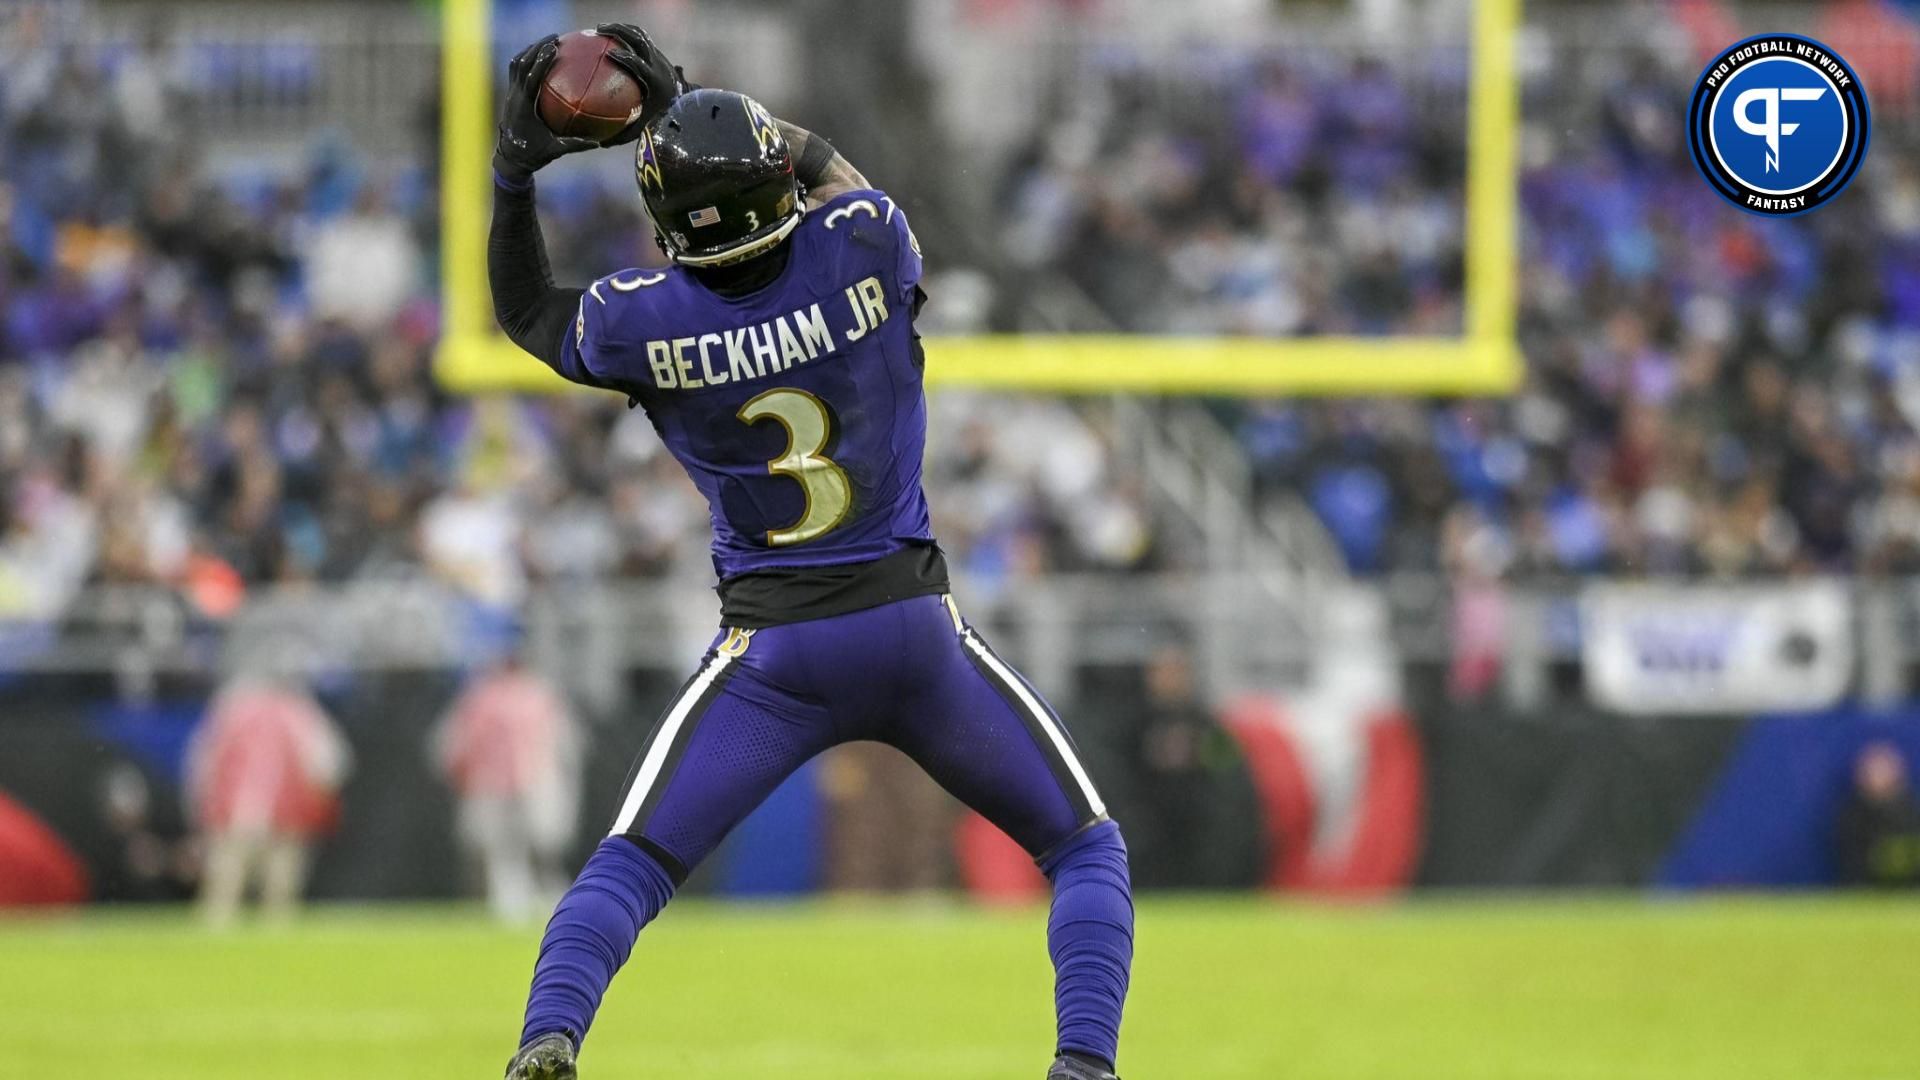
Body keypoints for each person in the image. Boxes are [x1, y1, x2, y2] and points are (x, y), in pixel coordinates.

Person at [487, 25, 1133, 1080]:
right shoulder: (868, 240)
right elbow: (826, 172)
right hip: (912, 631)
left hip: (776, 655)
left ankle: (549, 1039)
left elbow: (523, 312)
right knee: (1084, 847)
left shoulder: (638, 322)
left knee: (631, 867)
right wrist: (694, 110)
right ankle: (1085, 1066)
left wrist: (518, 173)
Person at [183, 671, 351, 925]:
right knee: (276, 893)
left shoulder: (234, 709)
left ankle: (218, 940)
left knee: (227, 889)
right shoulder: (297, 712)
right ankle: (270, 940)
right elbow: (328, 765)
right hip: (284, 815)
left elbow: (202, 763)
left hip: (241, 814)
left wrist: (201, 808)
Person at [434, 652, 582, 922]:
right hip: (509, 783)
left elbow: (453, 747)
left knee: (534, 850)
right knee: (509, 850)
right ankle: (517, 905)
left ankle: (537, 903)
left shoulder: (532, 695)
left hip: (526, 781)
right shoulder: (490, 696)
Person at [1834, 741, 1920, 888]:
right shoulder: (1852, 817)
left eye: (1885, 771)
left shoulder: (1913, 813)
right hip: (1867, 893)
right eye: (1874, 772)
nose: (1879, 778)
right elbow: (1852, 865)